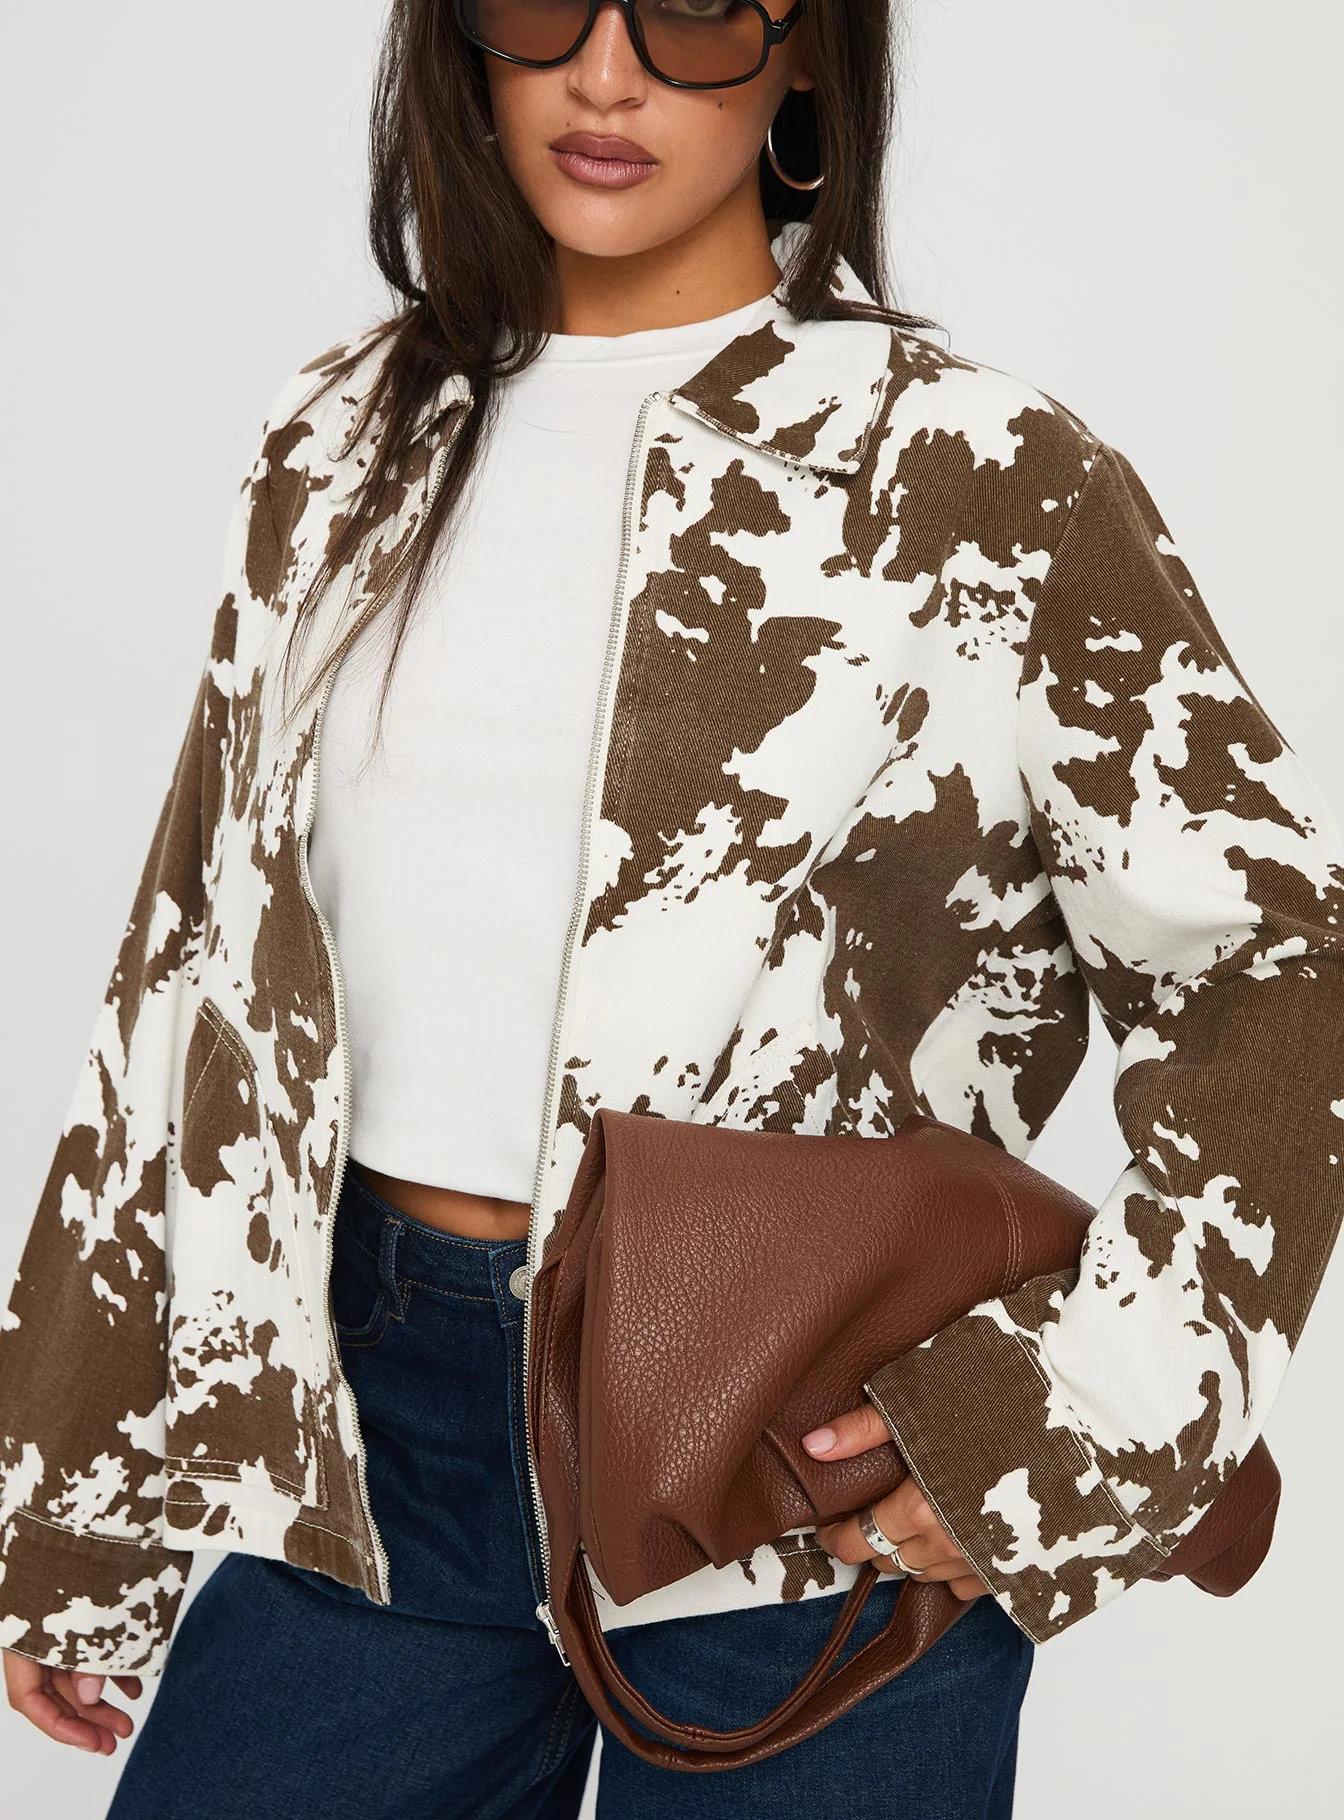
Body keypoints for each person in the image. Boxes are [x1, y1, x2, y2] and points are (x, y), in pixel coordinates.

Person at [4, 2, 1343, 1815]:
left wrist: (1075, 1421)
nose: (608, 70)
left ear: (807, 54)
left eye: (700, 8)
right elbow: (193, 951)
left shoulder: (973, 476)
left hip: (805, 1455)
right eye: (545, 1)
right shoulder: (340, 443)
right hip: (369, 1436)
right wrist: (77, 1479)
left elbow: (1277, 965)